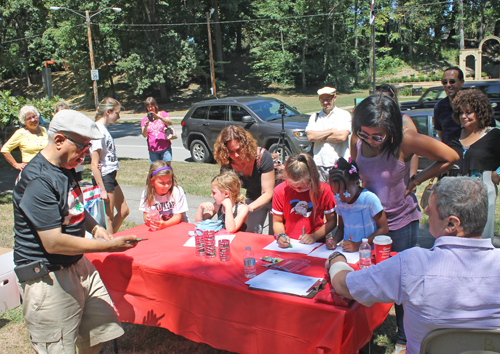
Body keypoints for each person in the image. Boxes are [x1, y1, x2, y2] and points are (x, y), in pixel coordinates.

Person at [325, 177, 500, 354]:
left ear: (451, 224)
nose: (425, 211)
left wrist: (336, 260)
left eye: (431, 209)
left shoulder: (412, 264)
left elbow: (345, 286)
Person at [13, 109, 138, 354]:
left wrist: (96, 227)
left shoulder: (65, 166)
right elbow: (53, 242)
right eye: (82, 148)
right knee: (59, 347)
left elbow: (75, 206)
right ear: (59, 141)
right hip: (47, 276)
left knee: (100, 329)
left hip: (77, 265)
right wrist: (109, 246)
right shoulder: (39, 180)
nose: (85, 155)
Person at [350, 94, 459, 353]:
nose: (369, 141)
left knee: (403, 281)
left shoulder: (404, 140)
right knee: (367, 271)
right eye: (364, 134)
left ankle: (403, 337)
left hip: (400, 221)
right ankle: (367, 328)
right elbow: (358, 171)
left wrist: (417, 179)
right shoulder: (358, 139)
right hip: (371, 221)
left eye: (378, 136)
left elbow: (450, 156)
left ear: (392, 130)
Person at [448, 89, 500, 240]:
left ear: (480, 111)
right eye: (460, 112)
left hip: (483, 191)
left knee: (480, 236)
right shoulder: (453, 136)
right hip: (455, 191)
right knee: (455, 234)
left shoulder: (494, 135)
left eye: (469, 112)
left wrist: (497, 174)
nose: (464, 116)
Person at [213, 125, 275, 234]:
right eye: (230, 152)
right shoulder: (227, 164)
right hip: (253, 196)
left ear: (246, 145)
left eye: (239, 150)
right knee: (249, 232)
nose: (236, 155)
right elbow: (227, 192)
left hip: (275, 199)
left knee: (274, 236)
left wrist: (247, 209)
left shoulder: (262, 156)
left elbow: (268, 193)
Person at [272, 153, 336, 248]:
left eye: (302, 186)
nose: (298, 190)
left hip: (316, 245)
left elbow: (332, 221)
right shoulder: (280, 191)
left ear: (312, 178)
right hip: (290, 245)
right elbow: (277, 221)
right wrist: (281, 235)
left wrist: (314, 236)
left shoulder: (324, 190)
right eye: (293, 186)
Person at [327, 157, 388, 252]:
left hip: (368, 253)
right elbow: (341, 228)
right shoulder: (340, 201)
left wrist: (359, 245)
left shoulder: (370, 199)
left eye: (345, 192)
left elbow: (383, 228)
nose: (341, 197)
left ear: (356, 182)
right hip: (349, 253)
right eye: (336, 193)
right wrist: (334, 241)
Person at [90, 97, 129, 233]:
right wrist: (102, 189)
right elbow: (94, 165)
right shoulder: (98, 131)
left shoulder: (104, 129)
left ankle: (110, 239)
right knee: (108, 218)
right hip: (104, 177)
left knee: (124, 210)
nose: (119, 116)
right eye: (117, 113)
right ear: (108, 112)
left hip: (111, 175)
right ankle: (109, 245)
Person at [433, 67, 494, 144]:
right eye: (444, 82)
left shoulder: (477, 104)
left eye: (452, 81)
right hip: (451, 153)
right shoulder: (439, 107)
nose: (448, 85)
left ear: (461, 82)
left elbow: (490, 130)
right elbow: (440, 133)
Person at [305, 86, 352, 182]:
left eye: (328, 99)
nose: (325, 102)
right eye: (322, 100)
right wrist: (330, 131)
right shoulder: (315, 117)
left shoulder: (344, 115)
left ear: (334, 98)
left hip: (338, 164)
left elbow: (342, 137)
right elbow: (310, 137)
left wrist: (319, 136)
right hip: (319, 164)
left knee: (338, 195)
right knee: (322, 195)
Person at [375, 84, 419, 176]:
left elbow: (414, 151)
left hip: (400, 173)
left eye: (384, 99)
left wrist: (412, 177)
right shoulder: (374, 121)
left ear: (393, 98)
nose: (380, 103)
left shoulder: (404, 119)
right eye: (377, 99)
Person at [140, 160, 189, 230]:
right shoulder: (147, 193)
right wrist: (147, 218)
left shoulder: (176, 191)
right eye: (162, 183)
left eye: (169, 182)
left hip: (178, 227)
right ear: (152, 182)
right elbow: (145, 213)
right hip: (159, 228)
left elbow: (178, 216)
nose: (166, 186)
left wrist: (164, 224)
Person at [1, 105, 48, 170]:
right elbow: (5, 149)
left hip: (46, 168)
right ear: (24, 121)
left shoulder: (43, 130)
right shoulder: (21, 133)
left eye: (34, 116)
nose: (33, 120)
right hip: (31, 169)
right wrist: (16, 165)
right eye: (29, 118)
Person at [141, 97, 175, 163]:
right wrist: (145, 126)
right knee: (156, 170)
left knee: (166, 168)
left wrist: (159, 117)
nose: (150, 108)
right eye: (148, 107)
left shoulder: (162, 113)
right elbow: (144, 135)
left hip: (165, 148)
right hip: (153, 150)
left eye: (152, 106)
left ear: (155, 106)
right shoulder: (144, 120)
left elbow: (169, 123)